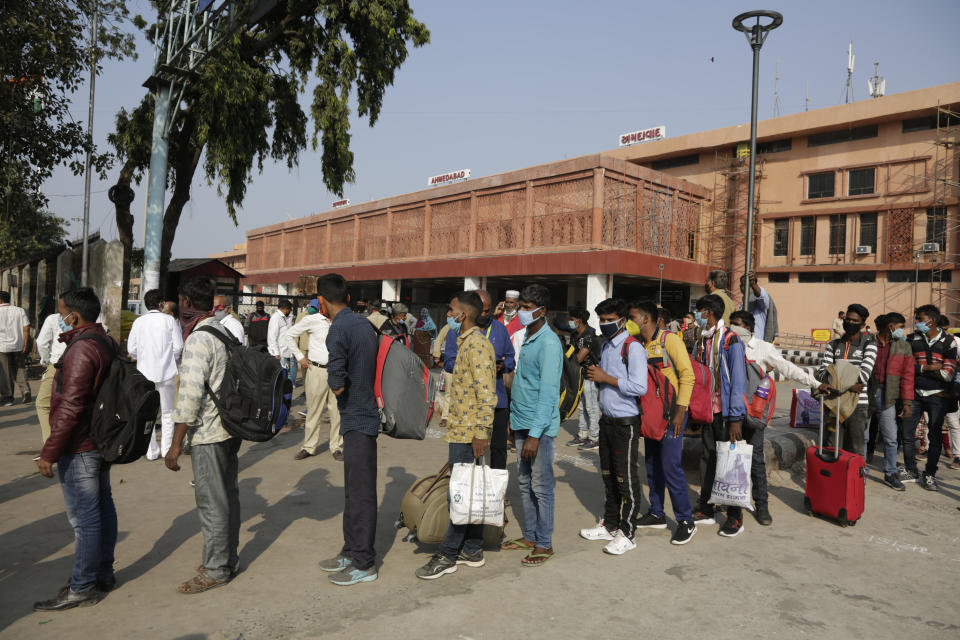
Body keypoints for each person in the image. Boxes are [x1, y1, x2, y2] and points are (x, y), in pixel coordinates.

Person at [33, 288, 117, 611]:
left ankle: (82, 586)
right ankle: (103, 573)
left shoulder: (82, 350)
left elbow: (71, 406)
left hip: (81, 445)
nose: (60, 318)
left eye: (61, 312)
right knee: (101, 509)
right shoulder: (104, 341)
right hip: (97, 440)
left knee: (85, 518)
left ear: (74, 316)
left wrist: (49, 452)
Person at [164, 278, 240, 594]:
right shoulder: (223, 330)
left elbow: (190, 396)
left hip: (209, 431)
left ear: (187, 302)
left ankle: (216, 569)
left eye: (180, 301)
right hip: (229, 427)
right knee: (227, 498)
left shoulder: (199, 339)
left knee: (212, 502)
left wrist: (176, 443)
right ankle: (224, 558)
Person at [415, 291, 497, 579]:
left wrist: (481, 434)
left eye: (451, 310)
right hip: (460, 428)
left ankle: (448, 554)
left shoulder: (477, 345)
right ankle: (472, 548)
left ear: (462, 315)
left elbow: (487, 394)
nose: (448, 314)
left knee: (459, 496)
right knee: (468, 492)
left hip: (469, 433)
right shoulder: (463, 342)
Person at [728, 310, 834, 523]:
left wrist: (815, 384)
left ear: (748, 328)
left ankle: (761, 505)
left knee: (756, 460)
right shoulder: (727, 344)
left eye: (737, 325)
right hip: (730, 412)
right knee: (731, 459)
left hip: (753, 414)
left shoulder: (762, 348)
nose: (733, 328)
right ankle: (732, 506)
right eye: (731, 324)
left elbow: (788, 367)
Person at [316, 274, 381, 586]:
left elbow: (337, 383)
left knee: (361, 493)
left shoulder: (338, 329)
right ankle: (351, 549)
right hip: (365, 414)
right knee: (354, 491)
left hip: (358, 417)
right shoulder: (364, 324)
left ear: (321, 302)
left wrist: (335, 383)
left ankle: (364, 563)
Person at [578, 298, 648, 555]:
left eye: (609, 320)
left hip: (625, 423)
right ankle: (610, 524)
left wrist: (607, 378)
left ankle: (627, 532)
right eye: (602, 320)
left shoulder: (633, 348)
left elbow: (640, 387)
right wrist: (597, 377)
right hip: (606, 420)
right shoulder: (606, 345)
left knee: (625, 479)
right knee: (607, 476)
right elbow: (606, 381)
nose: (605, 324)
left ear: (622, 320)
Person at [501, 284, 562, 566]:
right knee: (524, 482)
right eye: (521, 306)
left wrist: (535, 435)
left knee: (541, 485)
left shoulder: (549, 344)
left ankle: (544, 544)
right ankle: (529, 535)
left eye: (526, 307)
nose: (521, 311)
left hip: (539, 429)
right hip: (522, 422)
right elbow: (522, 383)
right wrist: (514, 426)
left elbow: (549, 393)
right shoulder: (527, 336)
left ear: (542, 311)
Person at [629, 300, 699, 544]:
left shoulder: (670, 340)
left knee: (671, 466)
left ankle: (685, 520)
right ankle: (657, 512)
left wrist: (681, 411)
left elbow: (687, 375)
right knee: (652, 464)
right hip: (651, 414)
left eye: (633, 317)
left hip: (673, 413)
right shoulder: (640, 344)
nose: (631, 322)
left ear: (645, 319)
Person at [691, 294, 749, 537]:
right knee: (709, 458)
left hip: (726, 414)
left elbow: (737, 381)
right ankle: (707, 506)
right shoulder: (705, 340)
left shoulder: (730, 341)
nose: (696, 316)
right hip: (709, 410)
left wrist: (735, 418)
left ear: (709, 313)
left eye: (699, 311)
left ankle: (735, 517)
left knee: (730, 463)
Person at [898, 304, 957, 491]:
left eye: (919, 318)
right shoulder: (911, 339)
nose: (916, 322)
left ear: (932, 320)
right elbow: (905, 367)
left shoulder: (949, 342)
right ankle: (911, 469)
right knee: (907, 435)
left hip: (938, 396)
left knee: (935, 436)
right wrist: (927, 368)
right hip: (914, 395)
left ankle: (930, 474)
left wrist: (918, 369)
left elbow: (948, 374)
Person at [814, 303, 877, 462]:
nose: (850, 323)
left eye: (855, 321)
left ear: (862, 325)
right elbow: (822, 374)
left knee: (855, 451)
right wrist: (850, 384)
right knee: (831, 448)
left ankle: (855, 485)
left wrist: (836, 375)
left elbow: (863, 377)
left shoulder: (869, 344)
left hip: (858, 405)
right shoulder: (833, 345)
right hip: (834, 404)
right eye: (848, 319)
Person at [127, 289, 184, 461]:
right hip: (167, 373)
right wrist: (169, 359)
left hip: (145, 374)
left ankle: (151, 451)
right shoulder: (169, 320)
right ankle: (167, 450)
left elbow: (131, 349)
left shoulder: (139, 322)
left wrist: (143, 358)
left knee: (147, 412)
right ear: (161, 304)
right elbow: (179, 347)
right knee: (167, 413)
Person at [284, 297, 342, 461]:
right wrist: (300, 357)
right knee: (314, 410)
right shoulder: (312, 320)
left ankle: (336, 446)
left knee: (337, 411)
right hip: (317, 370)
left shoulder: (340, 321)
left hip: (337, 371)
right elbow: (289, 335)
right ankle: (309, 447)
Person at [865, 313, 914, 490]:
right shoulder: (868, 342)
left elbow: (908, 376)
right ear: (890, 326)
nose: (903, 330)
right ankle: (860, 471)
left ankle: (890, 472)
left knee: (891, 437)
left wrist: (907, 402)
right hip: (866, 393)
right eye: (901, 326)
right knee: (862, 435)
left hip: (888, 395)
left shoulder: (904, 346)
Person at [35, 294, 70, 445]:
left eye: (61, 312)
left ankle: (51, 445)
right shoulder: (94, 321)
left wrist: (45, 361)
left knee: (43, 403)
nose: (60, 318)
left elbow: (41, 342)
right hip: (78, 366)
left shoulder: (53, 319)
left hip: (57, 365)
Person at [566, 308, 602, 451]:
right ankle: (582, 435)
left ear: (579, 320)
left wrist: (572, 358)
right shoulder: (575, 335)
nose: (570, 322)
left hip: (590, 376)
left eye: (572, 319)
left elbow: (578, 358)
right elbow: (571, 354)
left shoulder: (589, 336)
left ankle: (594, 437)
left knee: (591, 407)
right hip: (579, 376)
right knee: (581, 408)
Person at [0, 290, 31, 406]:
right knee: (20, 368)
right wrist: (25, 343)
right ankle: (25, 390)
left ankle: (7, 398)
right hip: (18, 345)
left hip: (2, 346)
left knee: (5, 372)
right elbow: (26, 328)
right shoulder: (20, 310)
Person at [268, 299, 297, 385]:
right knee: (280, 376)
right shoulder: (276, 318)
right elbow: (272, 337)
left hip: (285, 351)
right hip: (279, 353)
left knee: (285, 375)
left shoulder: (282, 317)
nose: (290, 311)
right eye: (290, 309)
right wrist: (276, 353)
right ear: (285, 308)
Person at [739, 271, 774, 341]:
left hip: (756, 345)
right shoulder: (744, 303)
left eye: (744, 284)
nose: (741, 287)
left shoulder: (759, 302)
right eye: (741, 284)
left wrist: (753, 284)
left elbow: (762, 296)